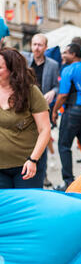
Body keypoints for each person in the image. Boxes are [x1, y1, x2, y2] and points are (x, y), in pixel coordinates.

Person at [0, 48, 51, 188]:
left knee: (27, 209)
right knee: (4, 210)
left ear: (12, 70)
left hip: (26, 166)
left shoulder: (31, 92)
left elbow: (45, 129)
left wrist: (33, 160)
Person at [52, 43, 81, 191]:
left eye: (66, 53)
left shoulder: (68, 69)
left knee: (63, 146)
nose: (63, 55)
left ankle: (69, 182)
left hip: (72, 112)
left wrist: (54, 111)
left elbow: (63, 95)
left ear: (74, 54)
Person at [22, 34, 60, 187]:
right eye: (34, 44)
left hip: (43, 108)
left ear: (46, 47)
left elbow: (57, 85)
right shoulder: (24, 61)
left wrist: (53, 92)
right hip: (24, 108)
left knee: (43, 138)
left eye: (40, 45)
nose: (36, 48)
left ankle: (42, 174)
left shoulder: (52, 64)